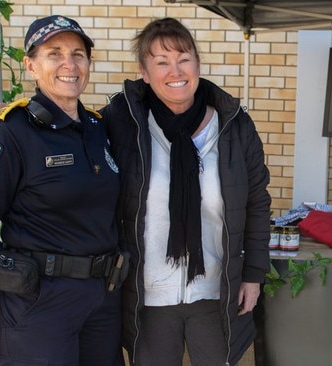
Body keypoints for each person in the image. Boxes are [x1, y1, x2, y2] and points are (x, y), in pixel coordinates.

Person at [101, 17, 272, 366]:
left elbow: (257, 205)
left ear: (197, 64)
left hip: (214, 294)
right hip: (149, 296)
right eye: (161, 62)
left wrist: (253, 275)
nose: (174, 70)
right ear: (144, 73)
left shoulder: (234, 126)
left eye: (183, 58)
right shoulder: (122, 123)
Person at [0, 15, 124, 366]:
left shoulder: (98, 128)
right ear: (30, 65)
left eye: (78, 54)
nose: (69, 64)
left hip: (101, 299)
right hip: (39, 302)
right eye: (54, 53)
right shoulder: (11, 133)